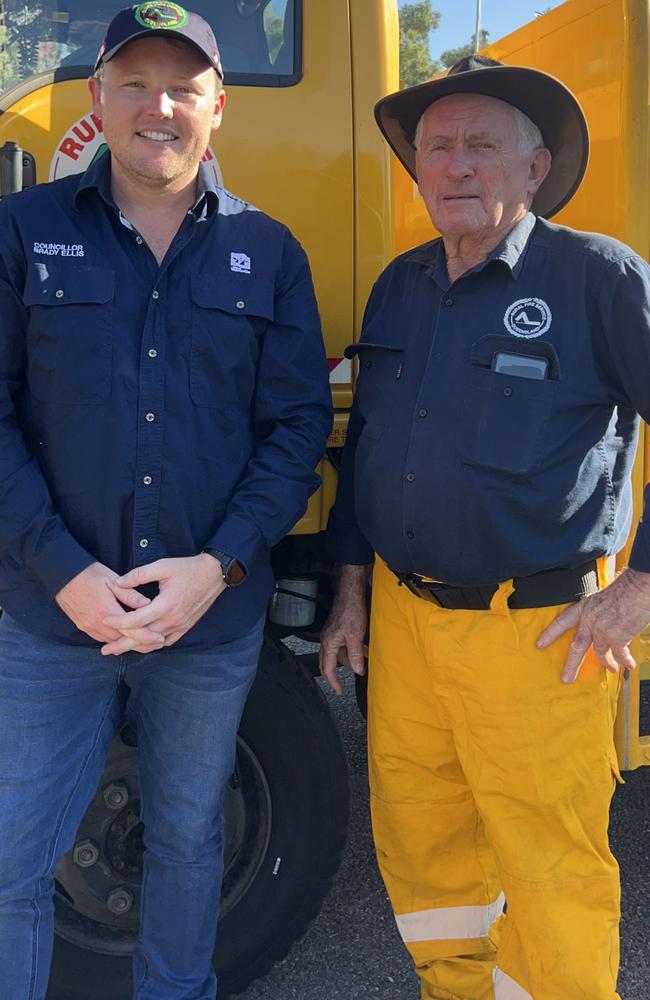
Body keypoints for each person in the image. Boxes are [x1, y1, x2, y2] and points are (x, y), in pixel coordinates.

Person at [0, 4, 331, 998]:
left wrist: (216, 566)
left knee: (187, 842)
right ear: (96, 98)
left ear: (216, 108)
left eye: (182, 87)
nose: (159, 107)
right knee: (14, 856)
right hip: (50, 619)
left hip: (209, 621)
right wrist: (63, 571)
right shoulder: (23, 231)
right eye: (135, 83)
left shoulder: (269, 253)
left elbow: (295, 427)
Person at [320, 55, 650, 1000]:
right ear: (417, 169)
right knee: (426, 854)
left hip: (538, 633)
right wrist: (350, 594)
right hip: (406, 626)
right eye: (439, 148)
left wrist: (639, 589)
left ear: (536, 168)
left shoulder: (597, 277)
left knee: (553, 873)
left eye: (482, 147)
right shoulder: (400, 285)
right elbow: (369, 450)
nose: (457, 167)